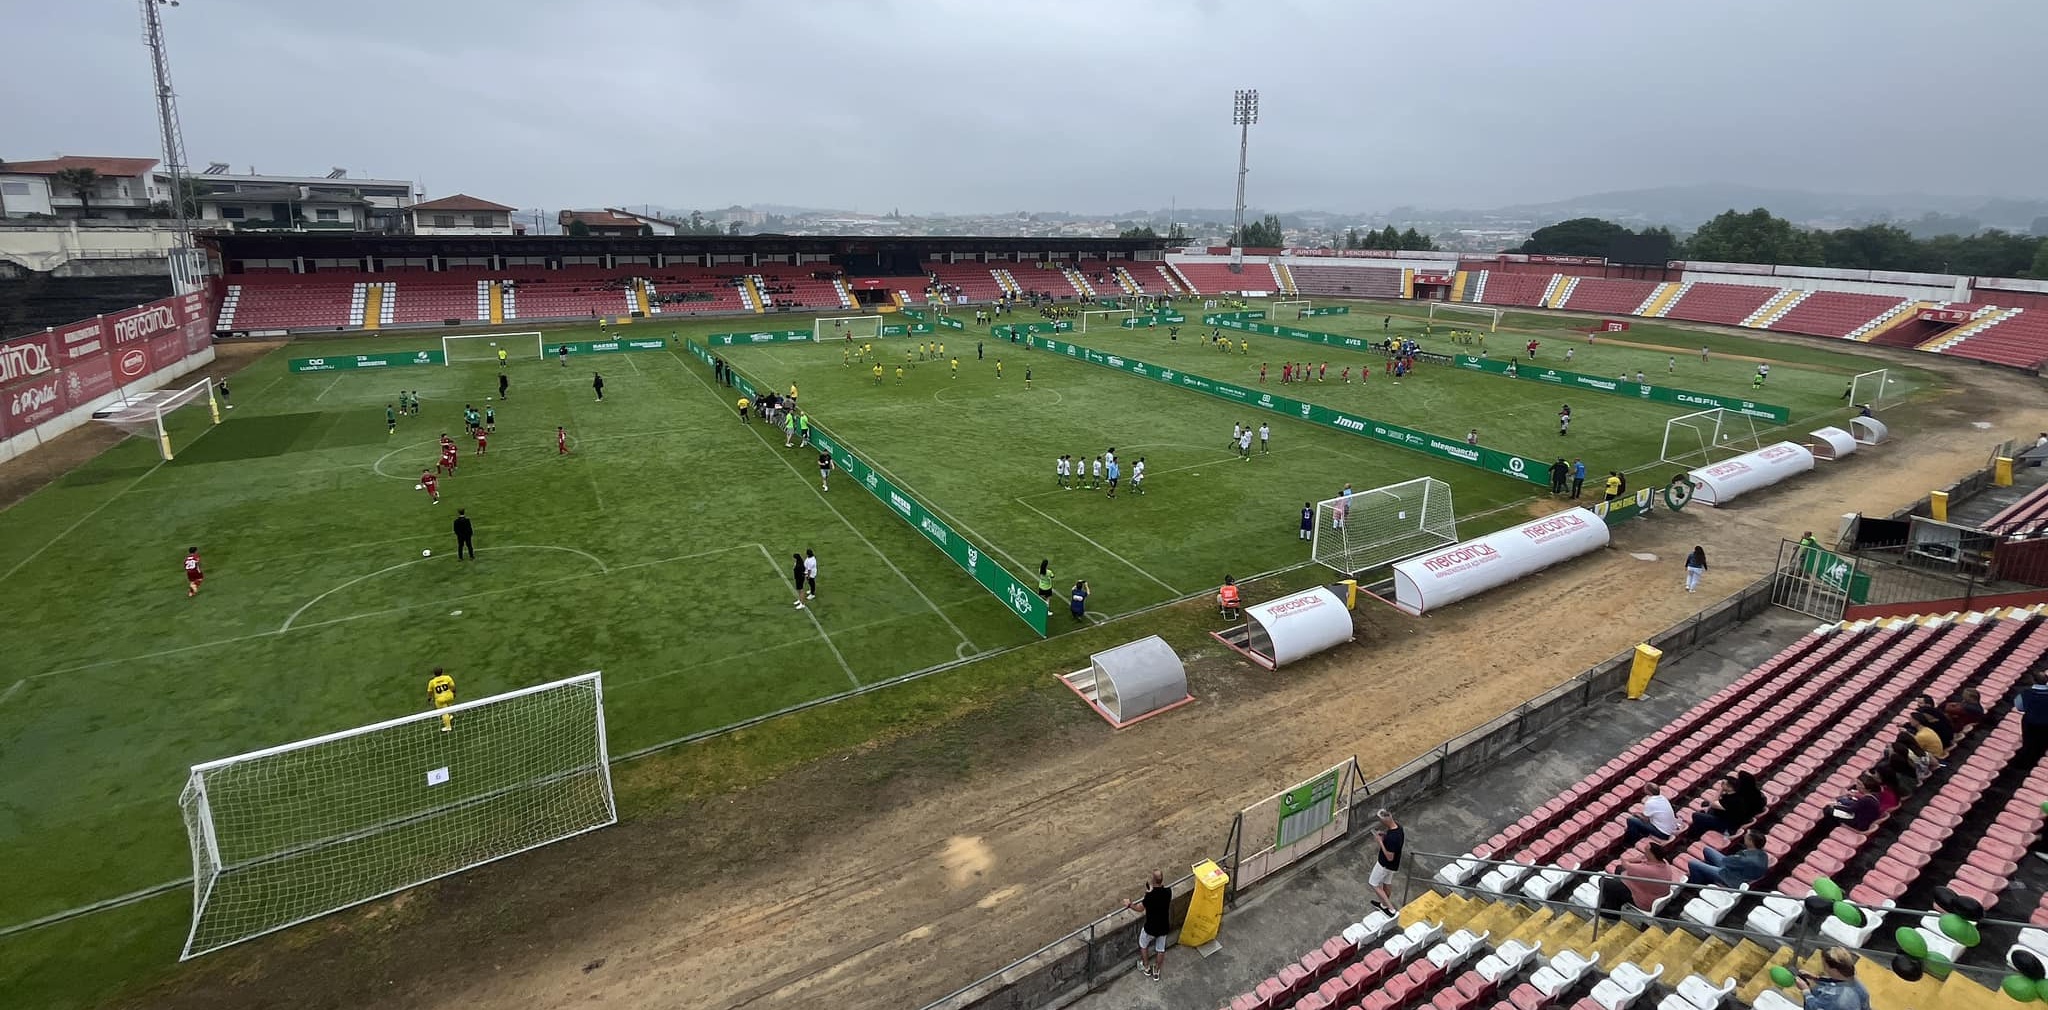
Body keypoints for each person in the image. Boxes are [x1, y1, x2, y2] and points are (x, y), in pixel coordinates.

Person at [1598, 840, 1680, 917]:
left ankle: (1612, 912)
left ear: (1651, 854)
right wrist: (1638, 859)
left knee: (1604, 882)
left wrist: (1631, 859)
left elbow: (1625, 863)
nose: (1644, 852)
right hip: (1654, 892)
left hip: (1645, 900)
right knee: (1619, 870)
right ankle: (1616, 899)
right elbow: (1637, 861)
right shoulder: (1664, 862)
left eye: (1646, 851)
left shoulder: (1646, 870)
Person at [1124, 870, 1173, 980]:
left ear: (1153, 880)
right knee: (1160, 949)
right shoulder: (1168, 892)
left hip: (1151, 927)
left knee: (1143, 944)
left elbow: (1139, 908)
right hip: (1163, 926)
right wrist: (1150, 892)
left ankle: (1146, 967)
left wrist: (1129, 904)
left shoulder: (1149, 896)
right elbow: (1159, 896)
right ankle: (1157, 970)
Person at [1685, 830, 1769, 887]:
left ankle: (1695, 885)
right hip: (1734, 870)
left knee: (1693, 863)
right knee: (1707, 850)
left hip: (1731, 878)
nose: (1744, 837)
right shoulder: (1763, 854)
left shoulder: (1746, 859)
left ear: (1751, 841)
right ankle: (1706, 874)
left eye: (1746, 837)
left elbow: (1728, 862)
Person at [1691, 771, 1765, 836]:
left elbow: (1713, 803)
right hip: (1731, 816)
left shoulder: (1738, 798)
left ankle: (1698, 833)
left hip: (1728, 824)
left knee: (1697, 815)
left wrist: (1722, 789)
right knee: (1707, 807)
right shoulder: (1753, 793)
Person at [1793, 948, 1869, 1010]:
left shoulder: (1837, 998)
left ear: (1835, 970)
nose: (1823, 968)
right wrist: (1815, 978)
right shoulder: (1857, 985)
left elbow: (1816, 1008)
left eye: (1825, 965)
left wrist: (1805, 991)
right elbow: (1837, 983)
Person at [1368, 808, 1405, 914]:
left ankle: (1390, 908)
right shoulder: (1398, 828)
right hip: (1394, 865)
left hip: (1384, 864)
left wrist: (1380, 842)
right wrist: (1385, 835)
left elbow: (1389, 856)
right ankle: (1383, 905)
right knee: (1387, 882)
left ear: (1384, 821)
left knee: (1373, 883)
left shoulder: (1392, 838)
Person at [428, 667, 457, 732]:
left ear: (434, 674)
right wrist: (454, 693)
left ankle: (448, 727)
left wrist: (430, 698)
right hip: (449, 696)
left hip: (440, 699)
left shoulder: (432, 682)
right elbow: (452, 686)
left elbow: (430, 691)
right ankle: (449, 716)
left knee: (444, 713)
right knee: (449, 705)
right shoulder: (447, 678)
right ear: (442, 672)